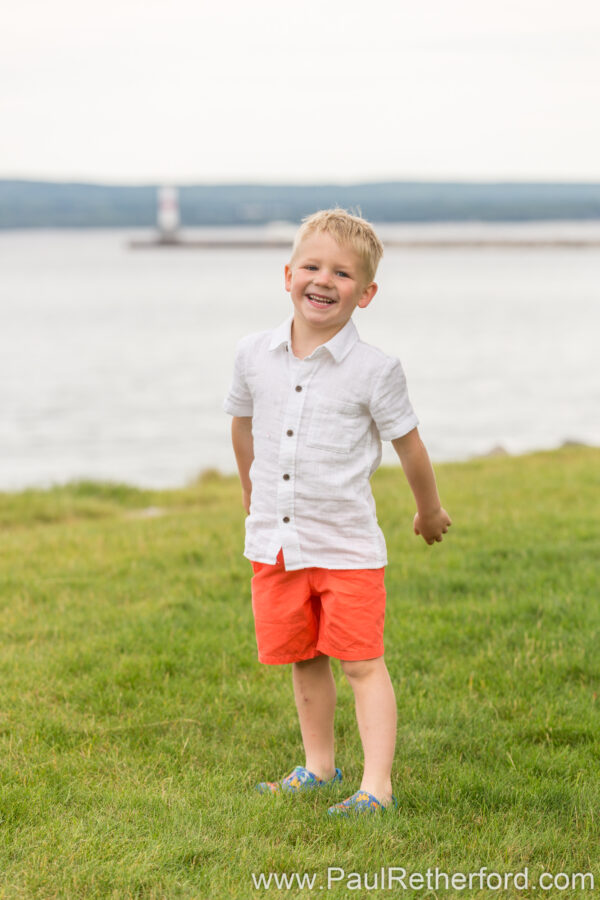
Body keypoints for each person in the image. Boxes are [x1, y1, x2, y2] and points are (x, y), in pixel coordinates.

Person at [223, 209, 451, 816]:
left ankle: (377, 788)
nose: (324, 281)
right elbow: (242, 427)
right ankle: (319, 767)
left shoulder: (376, 371)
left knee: (362, 664)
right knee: (302, 656)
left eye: (343, 273)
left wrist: (429, 512)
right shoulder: (252, 354)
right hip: (277, 543)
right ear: (289, 273)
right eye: (313, 267)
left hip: (346, 546)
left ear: (366, 293)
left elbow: (411, 448)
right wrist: (251, 491)